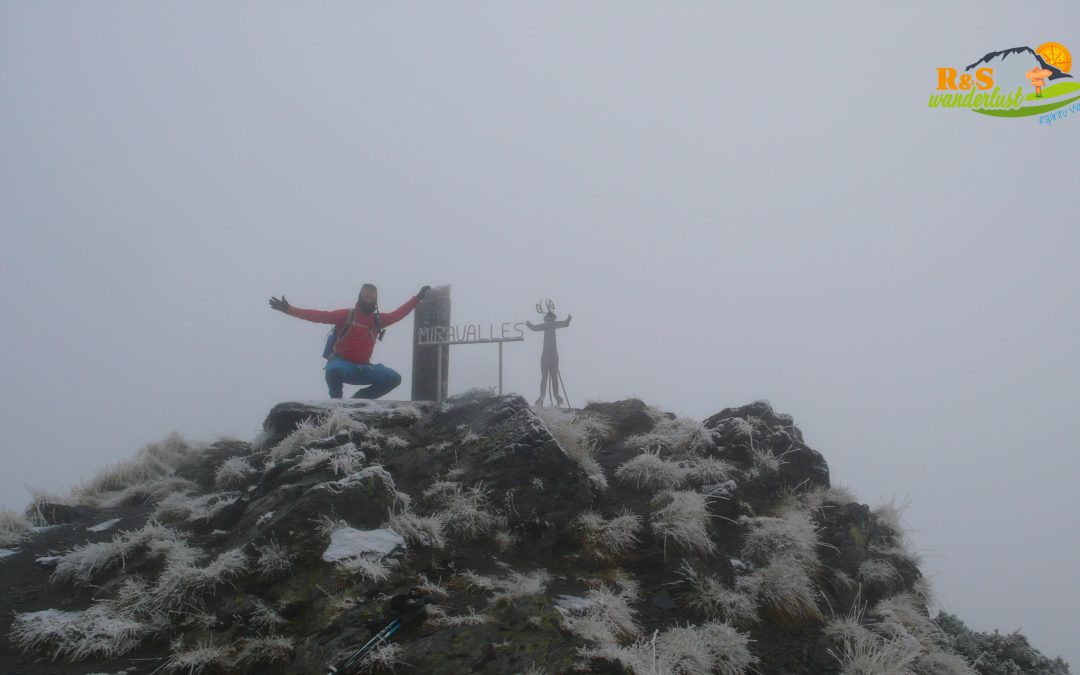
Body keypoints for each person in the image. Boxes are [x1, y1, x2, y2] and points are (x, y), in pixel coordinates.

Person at [269, 284, 430, 399]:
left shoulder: (378, 320)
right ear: (360, 297)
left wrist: (418, 298)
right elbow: (319, 316)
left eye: (372, 297)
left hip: (364, 368)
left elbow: (398, 314)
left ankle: (358, 401)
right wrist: (288, 309)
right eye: (366, 296)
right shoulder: (346, 315)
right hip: (342, 365)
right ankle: (337, 404)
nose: (368, 299)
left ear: (376, 300)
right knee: (333, 371)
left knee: (394, 378)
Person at [525, 310, 571, 406]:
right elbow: (534, 328)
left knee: (551, 376)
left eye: (551, 319)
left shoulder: (551, 324)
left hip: (551, 355)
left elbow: (565, 324)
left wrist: (568, 320)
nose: (549, 321)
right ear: (547, 319)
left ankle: (554, 396)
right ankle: (544, 397)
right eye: (548, 319)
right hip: (548, 355)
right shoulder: (550, 325)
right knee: (547, 377)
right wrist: (529, 325)